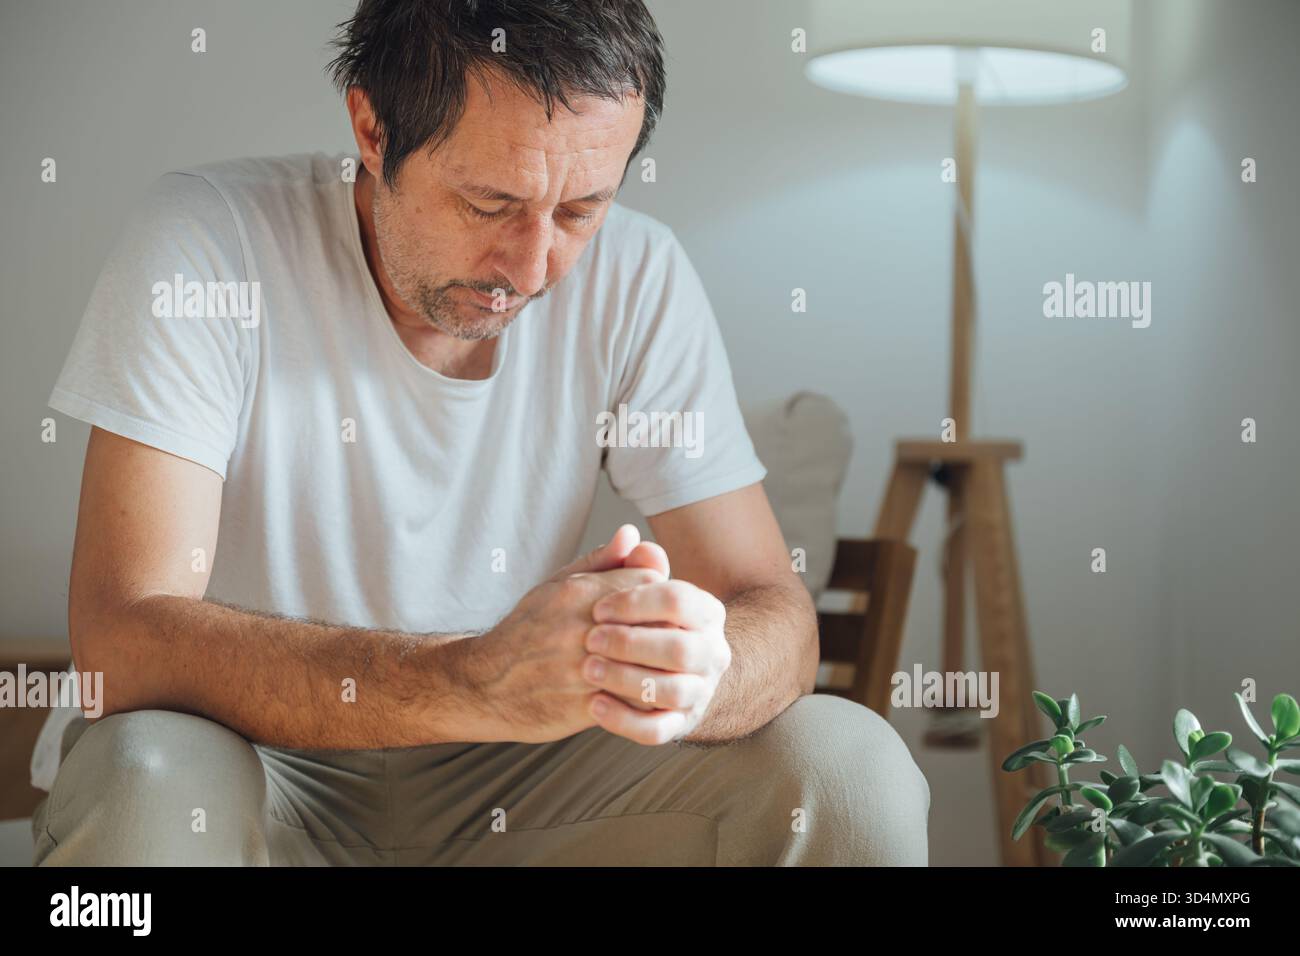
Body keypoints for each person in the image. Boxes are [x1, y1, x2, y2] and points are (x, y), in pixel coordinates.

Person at [33, 0, 929, 866]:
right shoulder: (208, 242)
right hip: (251, 764)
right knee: (145, 775)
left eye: (581, 210)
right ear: (373, 129)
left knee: (847, 765)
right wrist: (469, 679)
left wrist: (689, 672)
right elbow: (123, 638)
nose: (533, 268)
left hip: (521, 785)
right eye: (488, 203)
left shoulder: (641, 275)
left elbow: (776, 611)